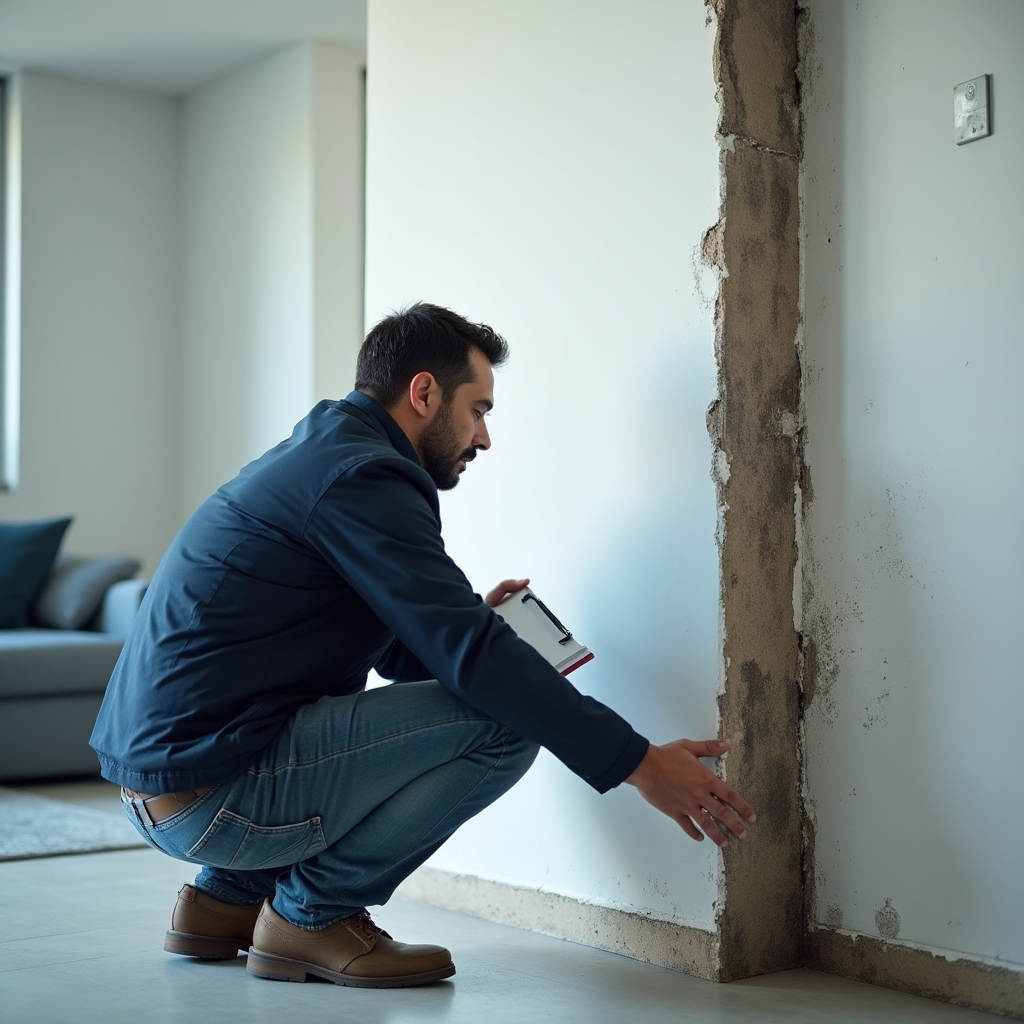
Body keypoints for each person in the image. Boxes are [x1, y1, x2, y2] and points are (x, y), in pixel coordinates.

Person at [90, 302, 755, 990]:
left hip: (169, 783)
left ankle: (224, 902)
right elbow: (473, 659)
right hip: (210, 792)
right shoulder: (365, 475)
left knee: (485, 682)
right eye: (478, 409)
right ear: (424, 392)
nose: (484, 437)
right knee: (503, 721)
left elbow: (402, 646)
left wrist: (469, 623)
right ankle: (310, 917)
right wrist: (642, 764)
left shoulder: (328, 453)